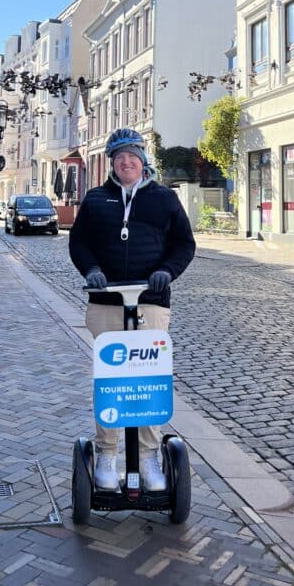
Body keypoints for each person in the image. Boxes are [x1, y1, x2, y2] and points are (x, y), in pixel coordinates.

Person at [69, 127, 195, 492]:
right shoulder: (96, 199)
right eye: (120, 157)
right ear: (112, 162)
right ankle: (107, 454)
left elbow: (184, 244)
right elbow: (79, 243)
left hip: (150, 303)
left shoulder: (164, 198)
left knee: (148, 380)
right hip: (107, 302)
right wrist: (91, 270)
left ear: (143, 161)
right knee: (111, 379)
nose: (126, 162)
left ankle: (149, 455)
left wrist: (166, 272)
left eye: (132, 156)